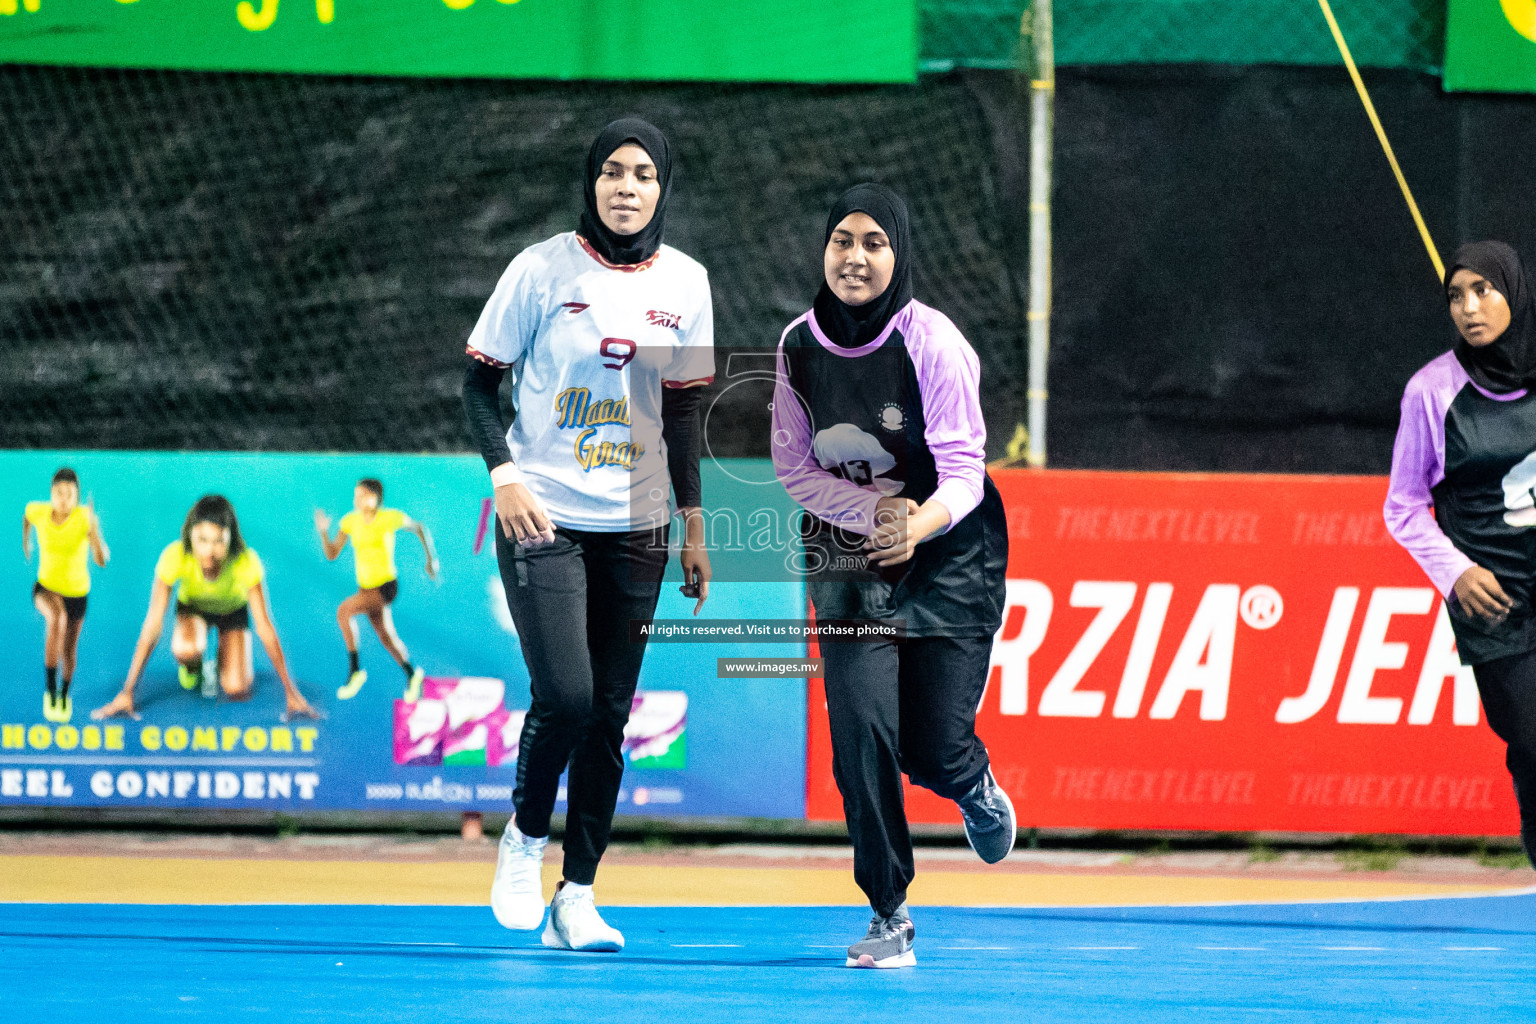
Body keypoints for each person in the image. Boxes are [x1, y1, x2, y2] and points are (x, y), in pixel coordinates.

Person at [462, 118, 714, 952]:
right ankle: (525, 837)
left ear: (662, 186)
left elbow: (684, 415)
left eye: (643, 173)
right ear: (592, 182)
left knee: (609, 713)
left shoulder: (688, 283)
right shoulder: (539, 270)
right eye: (612, 171)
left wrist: (694, 522)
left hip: (640, 528)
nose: (627, 186)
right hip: (544, 516)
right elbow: (476, 387)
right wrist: (504, 476)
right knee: (566, 696)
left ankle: (577, 895)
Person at [771, 183, 1015, 968]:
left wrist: (911, 522)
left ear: (899, 254)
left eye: (875, 243)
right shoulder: (797, 346)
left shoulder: (933, 342)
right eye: (843, 239)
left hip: (948, 545)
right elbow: (792, 465)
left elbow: (966, 472)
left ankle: (971, 784)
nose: (855, 256)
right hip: (849, 543)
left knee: (931, 748)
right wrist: (872, 515)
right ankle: (888, 911)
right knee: (861, 733)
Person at [1385, 240, 1536, 869]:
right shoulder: (1432, 391)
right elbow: (1402, 505)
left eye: (1484, 290)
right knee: (1531, 742)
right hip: (1496, 602)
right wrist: (1458, 573)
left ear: (1515, 293)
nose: (1469, 307)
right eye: (1456, 295)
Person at [91, 494, 319, 722]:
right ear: (190, 535)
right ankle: (193, 667)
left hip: (232, 613)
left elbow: (265, 628)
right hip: (193, 610)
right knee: (187, 649)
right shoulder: (175, 556)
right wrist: (127, 691)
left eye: (219, 541)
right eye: (202, 540)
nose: (209, 551)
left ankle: (225, 655)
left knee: (236, 688)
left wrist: (292, 692)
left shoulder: (246, 561)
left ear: (231, 539)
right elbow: (153, 624)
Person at [315, 478, 439, 702]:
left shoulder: (389, 517)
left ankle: (355, 672)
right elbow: (332, 553)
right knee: (386, 636)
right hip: (365, 588)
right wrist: (324, 532)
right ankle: (412, 674)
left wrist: (431, 560)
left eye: (363, 495)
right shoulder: (350, 521)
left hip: (385, 586)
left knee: (344, 611)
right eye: (356, 495)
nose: (357, 499)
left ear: (375, 498)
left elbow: (419, 528)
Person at [23, 467, 109, 723]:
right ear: (51, 493)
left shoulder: (85, 519)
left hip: (77, 594)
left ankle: (63, 695)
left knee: (69, 652)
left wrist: (94, 533)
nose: (63, 499)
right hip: (46, 587)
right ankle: (49, 691)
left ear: (77, 497)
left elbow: (102, 560)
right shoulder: (38, 511)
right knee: (56, 618)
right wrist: (26, 541)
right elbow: (27, 518)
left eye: (70, 494)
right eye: (59, 493)